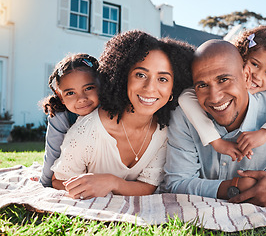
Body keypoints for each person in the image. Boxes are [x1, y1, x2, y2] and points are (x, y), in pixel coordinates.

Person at [162, 39, 266, 207]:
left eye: (224, 79)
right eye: (202, 85)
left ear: (246, 76)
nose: (215, 97)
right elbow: (176, 184)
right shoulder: (185, 114)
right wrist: (234, 187)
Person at [51, 30, 194, 199]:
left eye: (162, 79)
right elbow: (59, 181)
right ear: (123, 76)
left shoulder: (165, 133)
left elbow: (148, 186)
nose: (150, 87)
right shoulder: (87, 131)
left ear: (173, 89)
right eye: (140, 75)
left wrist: (112, 183)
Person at [178, 25, 266, 161]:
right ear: (241, 57)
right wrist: (215, 141)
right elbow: (186, 96)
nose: (258, 76)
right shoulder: (220, 77)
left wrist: (265, 133)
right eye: (254, 64)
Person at [39, 53, 100, 187]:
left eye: (88, 88)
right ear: (61, 97)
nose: (81, 98)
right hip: (75, 166)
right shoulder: (61, 115)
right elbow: (52, 152)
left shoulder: (109, 108)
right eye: (70, 93)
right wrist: (44, 184)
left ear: (101, 86)